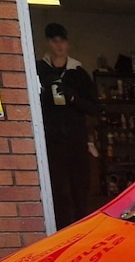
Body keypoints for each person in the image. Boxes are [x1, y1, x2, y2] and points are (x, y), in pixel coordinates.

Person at [36, 23, 100, 228]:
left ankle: (82, 229)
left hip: (76, 141)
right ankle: (60, 231)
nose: (59, 45)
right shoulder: (38, 69)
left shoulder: (78, 73)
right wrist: (46, 95)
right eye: (54, 41)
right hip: (51, 141)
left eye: (62, 41)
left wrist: (73, 97)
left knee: (80, 189)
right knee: (57, 191)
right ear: (48, 43)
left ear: (68, 43)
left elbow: (95, 108)